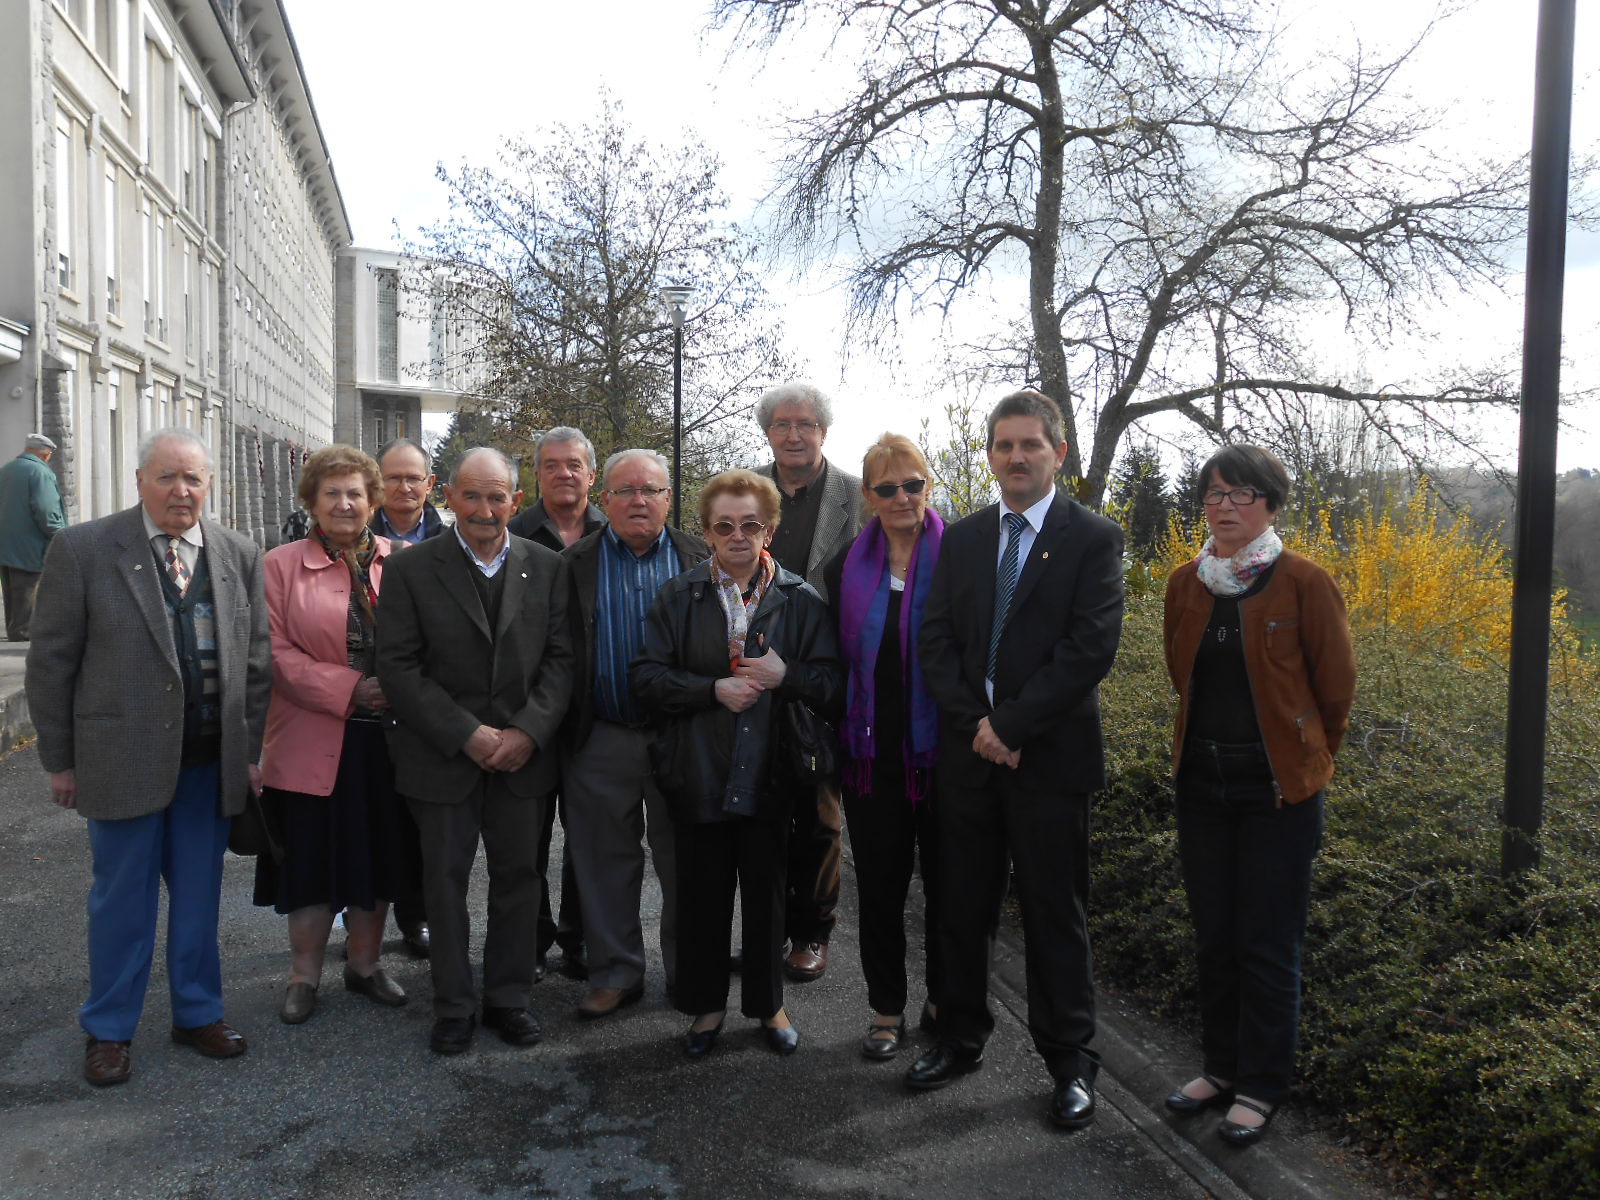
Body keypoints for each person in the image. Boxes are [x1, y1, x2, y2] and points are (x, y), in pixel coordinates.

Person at [26, 426, 272, 1086]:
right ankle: (108, 1030)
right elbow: (50, 665)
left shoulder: (238, 553)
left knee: (198, 901)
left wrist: (249, 754)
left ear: (209, 484)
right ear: (140, 481)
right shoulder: (83, 550)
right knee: (121, 905)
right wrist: (60, 760)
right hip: (119, 761)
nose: (181, 490)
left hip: (207, 766)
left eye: (193, 478)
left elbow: (256, 664)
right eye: (166, 476)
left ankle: (198, 1012)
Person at [910, 390, 1124, 1132]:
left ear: (1058, 453)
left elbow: (1088, 649)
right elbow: (934, 641)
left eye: (1031, 444)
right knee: (959, 907)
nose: (1016, 457)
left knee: (1053, 915)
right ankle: (959, 1038)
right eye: (1004, 446)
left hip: (1050, 760)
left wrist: (1013, 724)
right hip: (971, 758)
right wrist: (978, 726)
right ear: (992, 455)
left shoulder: (1093, 538)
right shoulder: (963, 539)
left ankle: (1071, 1063)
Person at [1160, 444, 1356, 1146]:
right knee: (1215, 936)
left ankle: (1262, 1085)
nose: (1225, 507)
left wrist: (1306, 758)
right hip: (1203, 787)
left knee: (1267, 944)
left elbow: (1335, 692)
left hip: (1279, 794)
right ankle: (1220, 1067)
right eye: (1214, 494)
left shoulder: (1304, 582)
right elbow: (1180, 676)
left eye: (1242, 494)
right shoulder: (1187, 583)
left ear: (1272, 503)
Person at [632, 469, 842, 1059]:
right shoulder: (680, 595)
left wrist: (787, 677)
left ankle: (768, 1006)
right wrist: (711, 690)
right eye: (724, 525)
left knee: (767, 895)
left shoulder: (800, 599)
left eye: (751, 524)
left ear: (770, 528)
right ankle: (705, 1008)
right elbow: (645, 678)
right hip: (700, 768)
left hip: (773, 771)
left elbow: (833, 683)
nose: (738, 535)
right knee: (702, 896)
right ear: (706, 531)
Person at [375, 447, 574, 1056]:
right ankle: (454, 1005)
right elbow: (399, 667)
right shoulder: (410, 570)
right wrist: (468, 734)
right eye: (472, 496)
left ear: (516, 501)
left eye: (497, 497)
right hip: (441, 757)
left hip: (523, 758)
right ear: (450, 498)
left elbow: (563, 662)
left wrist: (526, 733)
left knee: (520, 879)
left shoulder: (548, 567)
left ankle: (508, 998)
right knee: (444, 885)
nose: (485, 509)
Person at [253, 445, 420, 1025]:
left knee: (377, 858)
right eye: (332, 494)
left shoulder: (404, 562)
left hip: (390, 743)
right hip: (309, 735)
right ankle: (303, 976)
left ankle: (366, 964)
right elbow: (271, 652)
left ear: (374, 501)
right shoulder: (278, 566)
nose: (345, 504)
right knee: (311, 862)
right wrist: (349, 689)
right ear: (312, 503)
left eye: (355, 493)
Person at [561, 449, 707, 1018]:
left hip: (684, 736)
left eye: (650, 490)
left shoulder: (704, 558)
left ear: (670, 499)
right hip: (602, 735)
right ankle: (616, 973)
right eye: (624, 491)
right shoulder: (573, 563)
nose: (638, 501)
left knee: (686, 860)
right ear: (605, 501)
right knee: (602, 862)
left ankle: (690, 972)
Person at [821, 433, 944, 1061]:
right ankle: (887, 1009)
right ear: (869, 496)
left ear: (929, 485)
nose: (903, 496)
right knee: (882, 892)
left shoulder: (964, 557)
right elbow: (828, 660)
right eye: (888, 487)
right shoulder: (844, 567)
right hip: (871, 762)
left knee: (952, 891)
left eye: (914, 483)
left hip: (946, 758)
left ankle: (942, 1003)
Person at [756, 383, 862, 983]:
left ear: (824, 431)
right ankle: (768, 929)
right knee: (763, 810)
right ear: (767, 433)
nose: (793, 434)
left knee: (820, 813)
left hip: (829, 670)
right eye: (781, 424)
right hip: (755, 670)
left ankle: (811, 933)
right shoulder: (747, 487)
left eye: (804, 424)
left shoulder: (856, 495)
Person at [507, 425, 604, 980]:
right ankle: (531, 940)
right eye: (552, 465)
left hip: (594, 710)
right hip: (530, 712)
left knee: (587, 837)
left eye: (575, 464)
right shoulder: (514, 532)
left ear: (592, 475)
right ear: (537, 474)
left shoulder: (613, 531)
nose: (564, 473)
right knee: (528, 837)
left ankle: (578, 938)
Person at [368, 437, 444, 959]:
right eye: (393, 477)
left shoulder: (452, 535)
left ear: (430, 484)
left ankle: (416, 917)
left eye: (413, 477)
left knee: (425, 826)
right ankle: (360, 927)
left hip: (429, 701)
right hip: (364, 701)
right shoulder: (351, 531)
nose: (403, 486)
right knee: (370, 820)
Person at [0, 432, 68, 640]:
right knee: (28, 590)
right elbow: (46, 511)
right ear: (46, 454)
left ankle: (15, 629)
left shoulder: (6, 470)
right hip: (30, 545)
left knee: (12, 591)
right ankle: (22, 632)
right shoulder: (40, 472)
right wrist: (61, 534)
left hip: (6, 544)